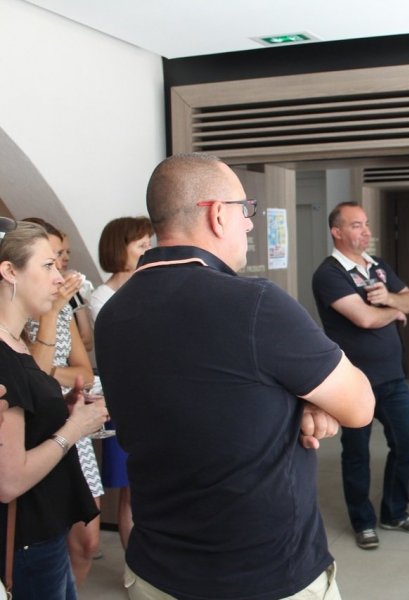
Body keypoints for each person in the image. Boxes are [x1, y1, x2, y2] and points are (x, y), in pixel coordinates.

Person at [94, 153, 374, 600]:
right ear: (216, 214)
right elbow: (360, 406)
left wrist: (299, 400)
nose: (249, 225)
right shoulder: (257, 304)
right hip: (263, 576)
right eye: (246, 211)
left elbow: (210, 397)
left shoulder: (113, 315)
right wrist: (309, 398)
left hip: (155, 572)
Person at [0, 218, 109, 599]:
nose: (59, 278)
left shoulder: (15, 345)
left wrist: (64, 407)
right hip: (26, 538)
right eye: (47, 266)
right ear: (10, 271)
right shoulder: (4, 356)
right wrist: (74, 429)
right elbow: (9, 480)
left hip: (45, 530)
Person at [312, 201, 409, 551]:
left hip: (392, 378)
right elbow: (363, 318)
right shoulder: (329, 274)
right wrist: (393, 312)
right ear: (337, 231)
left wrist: (391, 300)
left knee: (407, 443)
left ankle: (394, 513)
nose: (367, 231)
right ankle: (363, 522)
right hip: (354, 381)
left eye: (366, 225)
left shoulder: (378, 266)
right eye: (357, 225)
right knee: (357, 453)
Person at [88, 216, 154, 552]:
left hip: (159, 396)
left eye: (148, 244)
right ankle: (134, 567)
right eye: (140, 244)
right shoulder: (101, 297)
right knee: (132, 487)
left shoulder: (155, 282)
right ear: (119, 248)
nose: (147, 250)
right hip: (126, 397)